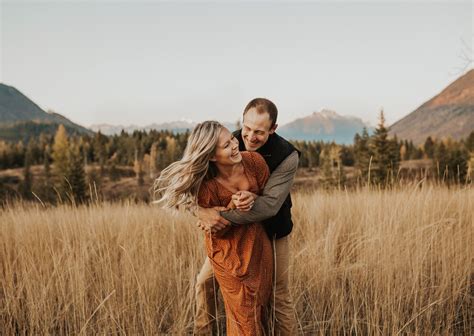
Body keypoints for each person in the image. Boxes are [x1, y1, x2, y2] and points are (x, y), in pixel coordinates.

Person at [154, 121, 273, 335]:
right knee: (222, 298)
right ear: (211, 156)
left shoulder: (255, 162)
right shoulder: (207, 187)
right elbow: (213, 224)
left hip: (257, 244)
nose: (236, 145)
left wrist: (252, 198)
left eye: (233, 139)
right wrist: (204, 212)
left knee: (258, 309)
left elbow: (269, 200)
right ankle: (204, 331)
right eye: (226, 145)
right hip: (226, 251)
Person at [195, 98, 300, 335]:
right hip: (236, 237)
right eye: (247, 128)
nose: (250, 137)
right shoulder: (227, 143)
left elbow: (270, 206)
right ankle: (204, 331)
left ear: (273, 130)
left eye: (260, 132)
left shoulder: (287, 156)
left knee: (278, 295)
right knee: (204, 283)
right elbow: (192, 188)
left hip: (273, 229)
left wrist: (219, 217)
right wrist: (201, 211)